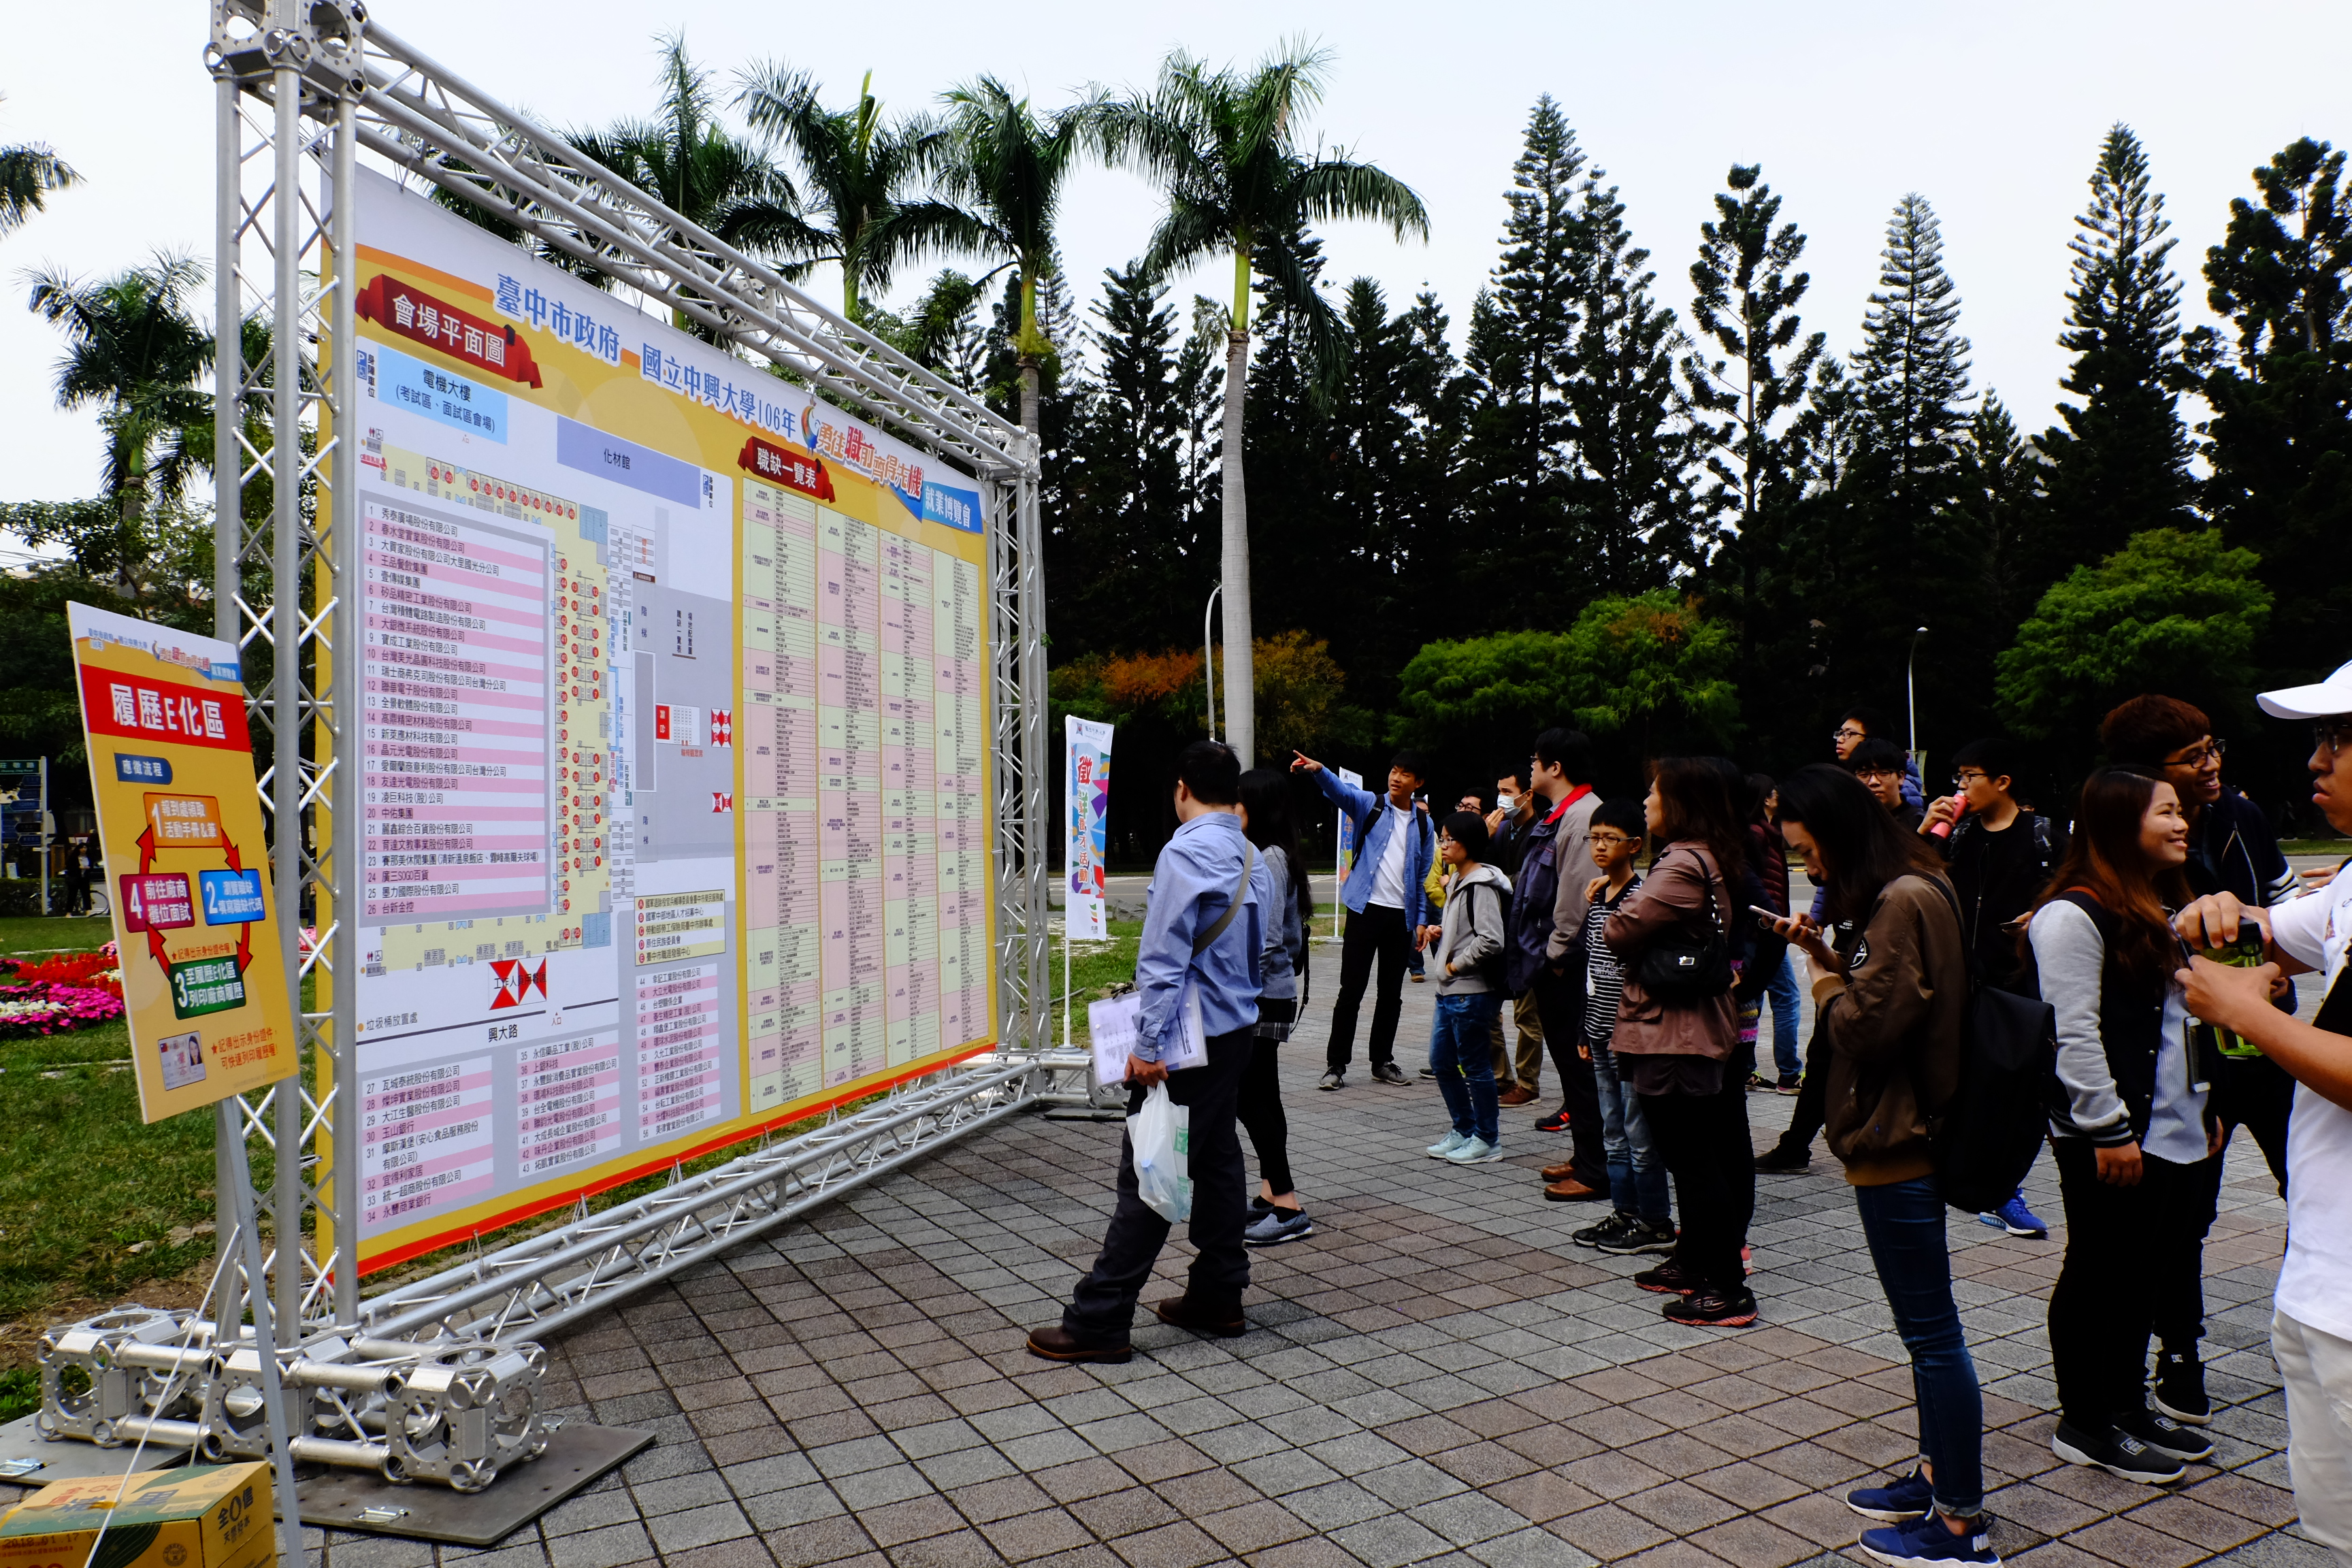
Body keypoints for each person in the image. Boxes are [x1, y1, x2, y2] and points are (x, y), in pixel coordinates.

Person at [1764, 764, 1999, 1566]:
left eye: (1810, 852)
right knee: (1925, 1333)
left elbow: (1864, 1027)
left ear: (1839, 836)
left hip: (1899, 1138)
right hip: (1906, 1129)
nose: (1810, 868)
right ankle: (1936, 1477)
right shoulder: (1917, 885)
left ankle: (1961, 1525)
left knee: (1932, 1336)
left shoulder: (1901, 899)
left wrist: (1821, 975)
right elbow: (1891, 993)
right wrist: (1828, 950)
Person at [2173, 659, 2352, 1566]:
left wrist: (2245, 1013)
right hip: (2324, 1281)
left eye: (2340, 739)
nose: (2316, 760)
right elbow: (2280, 930)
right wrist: (2229, 913)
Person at [1028, 740, 1277, 1364]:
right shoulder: (1254, 856)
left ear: (1181, 788)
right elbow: (1265, 950)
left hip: (1183, 1044)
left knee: (1150, 1164)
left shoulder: (1184, 851)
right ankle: (1219, 1294)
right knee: (1217, 1162)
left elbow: (1164, 961)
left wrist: (1146, 1045)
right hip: (1234, 1034)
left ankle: (1100, 1317)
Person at [2024, 765, 2221, 1486]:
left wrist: (2208, 1106)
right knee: (2098, 1269)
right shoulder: (2071, 915)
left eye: (2181, 812)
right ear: (2118, 823)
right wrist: (2107, 1130)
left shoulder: (2160, 905)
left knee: (2144, 1270)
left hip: (2172, 1125)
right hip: (2110, 1134)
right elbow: (2073, 1034)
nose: (2181, 823)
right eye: (2165, 812)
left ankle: (2127, 1406)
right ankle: (2085, 1421)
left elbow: (2181, 1024)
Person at [1603, 757, 1754, 1325]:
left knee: (1692, 1161)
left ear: (1682, 803)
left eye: (1654, 793)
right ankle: (1693, 1262)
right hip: (1678, 1027)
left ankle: (1727, 1286)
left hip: (1676, 1033)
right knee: (1688, 1156)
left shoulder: (1682, 865)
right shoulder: (1702, 857)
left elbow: (1620, 929)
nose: (1646, 801)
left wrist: (1616, 904)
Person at [1920, 737, 2063, 1241]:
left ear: (2002, 782)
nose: (1960, 787)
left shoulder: (2043, 836)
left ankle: (2005, 1190)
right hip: (1963, 979)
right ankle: (1956, 1179)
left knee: (2015, 1089)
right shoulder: (1957, 836)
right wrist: (1927, 832)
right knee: (1957, 1083)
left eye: (1970, 777)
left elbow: (2076, 889)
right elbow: (1912, 880)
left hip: (2019, 983)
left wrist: (2043, 912)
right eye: (1958, 778)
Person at [1567, 799, 1676, 1252]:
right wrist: (1584, 1026)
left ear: (1634, 845)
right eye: (1594, 837)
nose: (1599, 846)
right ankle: (1624, 1213)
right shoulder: (1598, 897)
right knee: (1612, 1131)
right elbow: (1593, 968)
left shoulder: (1640, 899)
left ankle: (1655, 1221)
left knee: (1639, 1135)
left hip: (1631, 1036)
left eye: (1609, 838)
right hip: (1599, 1031)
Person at [1293, 749, 1435, 1089]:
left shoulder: (1424, 823)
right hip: (1364, 909)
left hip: (1400, 918)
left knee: (1391, 994)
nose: (1396, 778)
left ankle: (1382, 1062)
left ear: (1418, 783)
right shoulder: (1371, 804)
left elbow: (1422, 877)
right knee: (1351, 991)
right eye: (1394, 770)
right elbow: (1341, 793)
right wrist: (1319, 770)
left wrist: (1420, 920)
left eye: (1405, 774)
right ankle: (1336, 1065)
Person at [1509, 730, 1607, 1196]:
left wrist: (1557, 956)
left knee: (1581, 1067)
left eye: (1535, 760)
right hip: (1554, 959)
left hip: (1567, 963)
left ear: (1555, 767)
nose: (1530, 768)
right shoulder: (1563, 813)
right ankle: (1586, 1155)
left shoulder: (1584, 816)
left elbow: (1576, 899)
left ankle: (1595, 1169)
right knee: (1571, 1067)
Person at [1237, 768, 1316, 1247]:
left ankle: (1288, 1207)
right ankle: (1271, 1195)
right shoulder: (1276, 853)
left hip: (1262, 994)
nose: (1233, 809)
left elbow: (1265, 941)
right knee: (1264, 1095)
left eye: (1239, 801)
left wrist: (1238, 990)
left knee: (1248, 1098)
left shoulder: (1267, 858)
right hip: (1271, 992)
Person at [1418, 812, 1514, 1164]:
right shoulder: (1458, 880)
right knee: (1442, 1063)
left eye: (1449, 839)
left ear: (1469, 844)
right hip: (1449, 991)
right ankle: (1464, 1129)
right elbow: (1468, 930)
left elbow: (1491, 940)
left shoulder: (1480, 885)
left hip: (1470, 991)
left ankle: (1488, 1139)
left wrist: (1455, 964)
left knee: (1475, 1067)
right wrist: (1441, 933)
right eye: (1442, 839)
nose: (1443, 846)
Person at [1484, 767, 1548, 1104]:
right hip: (1497, 928)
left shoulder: (1541, 830)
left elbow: (1529, 880)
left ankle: (1528, 1083)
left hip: (1527, 932)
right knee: (1488, 1008)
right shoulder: (1501, 829)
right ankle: (1499, 1077)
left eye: (1507, 792)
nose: (1501, 799)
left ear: (1527, 795)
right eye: (1499, 791)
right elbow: (1481, 869)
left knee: (1526, 1014)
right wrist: (1484, 838)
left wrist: (1497, 878)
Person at [1749, 777, 1804, 1095]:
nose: (1780, 797)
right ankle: (1789, 1075)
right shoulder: (1759, 834)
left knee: (1754, 997)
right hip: (1767, 932)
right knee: (1787, 998)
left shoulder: (1766, 832)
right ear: (1765, 799)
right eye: (1775, 793)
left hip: (1765, 932)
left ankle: (1746, 1069)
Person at [1836, 704, 1925, 811]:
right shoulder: (1845, 777)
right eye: (1840, 733)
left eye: (1849, 733)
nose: (1840, 740)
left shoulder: (1904, 789)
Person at [1850, 738, 1925, 832]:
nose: (1873, 782)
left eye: (1883, 773)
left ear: (1901, 777)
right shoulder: (1849, 827)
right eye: (1864, 775)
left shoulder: (1923, 825)